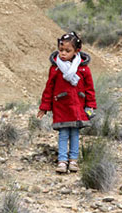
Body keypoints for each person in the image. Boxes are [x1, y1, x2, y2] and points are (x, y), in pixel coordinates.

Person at [37, 31, 97, 173]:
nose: (63, 53)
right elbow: (49, 88)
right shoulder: (55, 68)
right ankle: (62, 161)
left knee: (75, 133)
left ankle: (73, 160)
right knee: (63, 134)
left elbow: (90, 89)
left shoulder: (83, 69)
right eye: (61, 50)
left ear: (77, 51)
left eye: (67, 51)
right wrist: (44, 107)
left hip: (78, 107)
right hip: (61, 106)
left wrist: (90, 106)